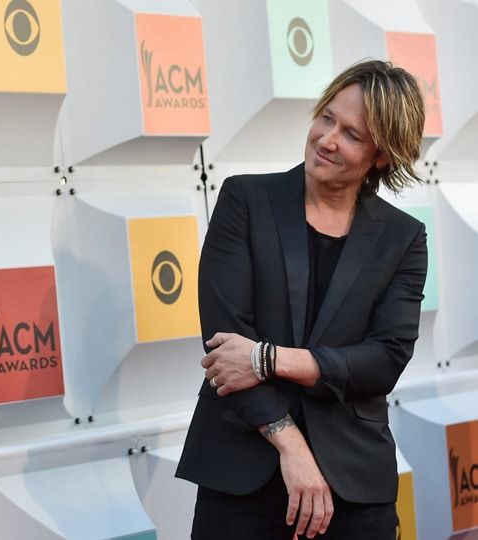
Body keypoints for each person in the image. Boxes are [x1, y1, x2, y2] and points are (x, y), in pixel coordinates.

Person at [176, 60, 428, 539]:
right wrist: (291, 446)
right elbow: (226, 348)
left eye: (353, 134)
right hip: (242, 478)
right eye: (327, 117)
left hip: (354, 486)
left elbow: (385, 359)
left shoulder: (403, 237)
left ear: (381, 156)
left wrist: (270, 359)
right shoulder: (245, 201)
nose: (328, 139)